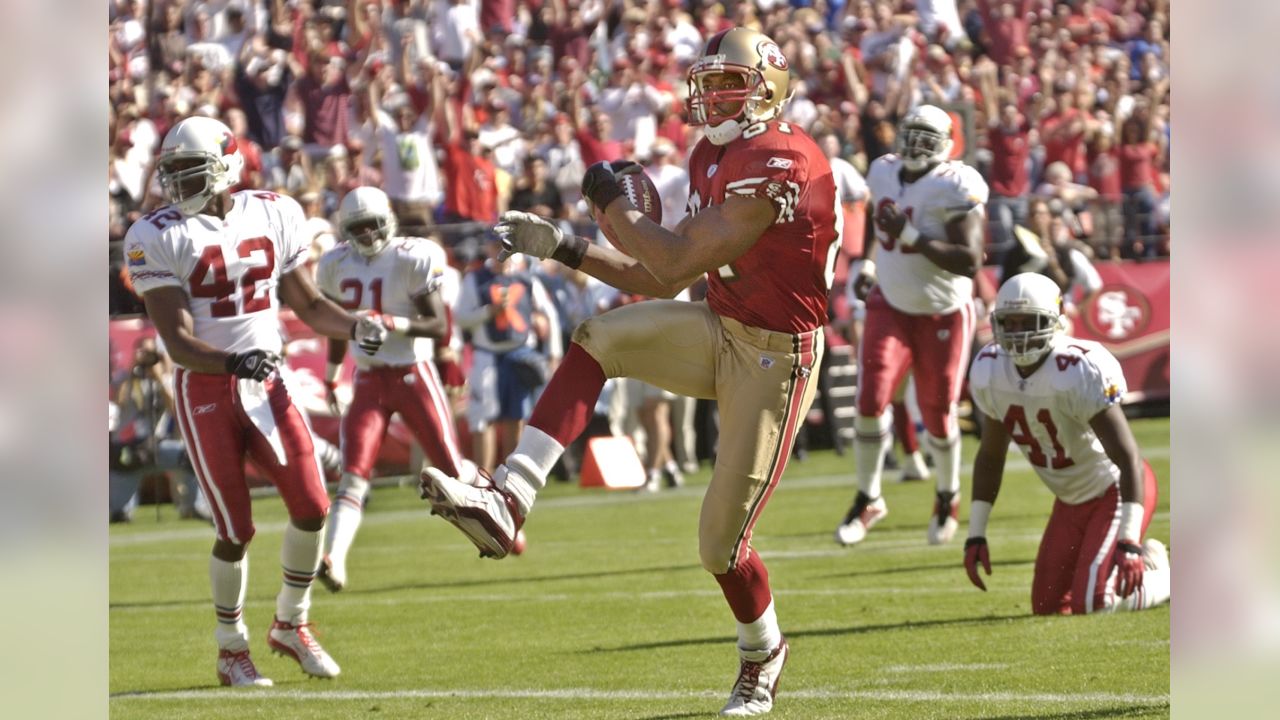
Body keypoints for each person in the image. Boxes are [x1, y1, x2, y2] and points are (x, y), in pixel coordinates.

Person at [419, 29, 839, 716]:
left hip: (776, 359)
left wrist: (614, 206)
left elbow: (671, 263)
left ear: (769, 87)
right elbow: (665, 274)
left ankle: (763, 651)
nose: (709, 97)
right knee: (597, 337)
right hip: (719, 325)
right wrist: (565, 245)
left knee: (719, 546)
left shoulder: (783, 159)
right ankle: (509, 499)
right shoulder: (711, 154)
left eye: (727, 82)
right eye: (703, 83)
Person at [124, 116, 387, 687]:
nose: (175, 184)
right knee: (235, 530)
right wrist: (233, 362)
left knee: (313, 506)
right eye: (170, 172)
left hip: (267, 383)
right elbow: (178, 342)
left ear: (225, 168)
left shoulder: (275, 211)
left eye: (188, 171)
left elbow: (312, 307)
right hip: (208, 388)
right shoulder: (156, 233)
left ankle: (291, 624)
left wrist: (356, 324)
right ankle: (230, 648)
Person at [964, 273, 1170, 615]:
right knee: (1048, 606)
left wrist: (1129, 541)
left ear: (1054, 321)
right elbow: (990, 457)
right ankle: (1143, 566)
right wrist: (975, 533)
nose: (1018, 335)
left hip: (1114, 489)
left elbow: (1129, 457)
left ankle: (1168, 576)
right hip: (1071, 500)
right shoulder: (990, 369)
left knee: (1095, 601)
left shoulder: (1077, 368)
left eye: (1028, 322)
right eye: (1009, 323)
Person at [834, 104, 988, 547]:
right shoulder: (883, 171)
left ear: (945, 145)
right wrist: (865, 263)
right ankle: (868, 497)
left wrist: (911, 238)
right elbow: (874, 222)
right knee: (870, 396)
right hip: (891, 302)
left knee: (939, 415)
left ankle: (947, 494)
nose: (916, 145)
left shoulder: (955, 184)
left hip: (943, 309)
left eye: (927, 138)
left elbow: (971, 259)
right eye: (911, 135)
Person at [314, 186, 468, 592]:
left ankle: (503, 523)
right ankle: (335, 559)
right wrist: (332, 374)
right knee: (353, 474)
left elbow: (437, 326)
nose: (366, 235)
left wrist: (392, 322)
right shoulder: (333, 264)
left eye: (372, 225)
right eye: (357, 228)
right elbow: (333, 327)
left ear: (388, 221)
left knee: (450, 468)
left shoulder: (412, 256)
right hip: (368, 379)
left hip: (413, 374)